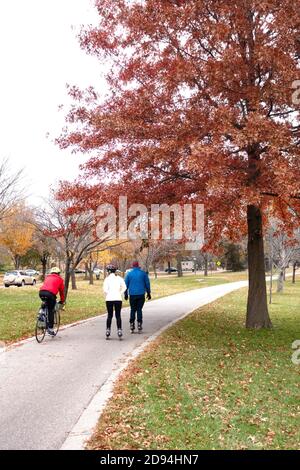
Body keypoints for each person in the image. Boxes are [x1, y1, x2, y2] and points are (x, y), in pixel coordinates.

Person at [125, 261, 151, 332]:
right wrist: (149, 293)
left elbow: (125, 285)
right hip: (141, 294)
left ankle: (132, 325)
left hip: (132, 294)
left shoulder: (129, 274)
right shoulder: (143, 274)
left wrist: (125, 294)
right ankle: (139, 324)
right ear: (138, 266)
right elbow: (147, 284)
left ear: (132, 266)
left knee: (133, 309)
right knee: (139, 309)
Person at [39, 267, 65, 336]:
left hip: (41, 292)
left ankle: (41, 312)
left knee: (45, 303)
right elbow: (62, 292)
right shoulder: (60, 279)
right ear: (58, 273)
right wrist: (62, 301)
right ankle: (50, 328)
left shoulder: (47, 277)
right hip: (50, 294)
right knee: (51, 310)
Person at [103, 264, 127, 339]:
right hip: (118, 298)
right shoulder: (119, 278)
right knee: (118, 315)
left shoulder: (106, 279)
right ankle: (119, 330)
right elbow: (124, 287)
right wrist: (120, 293)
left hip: (109, 299)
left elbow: (105, 289)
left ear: (109, 271)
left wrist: (108, 293)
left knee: (109, 315)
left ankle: (108, 330)